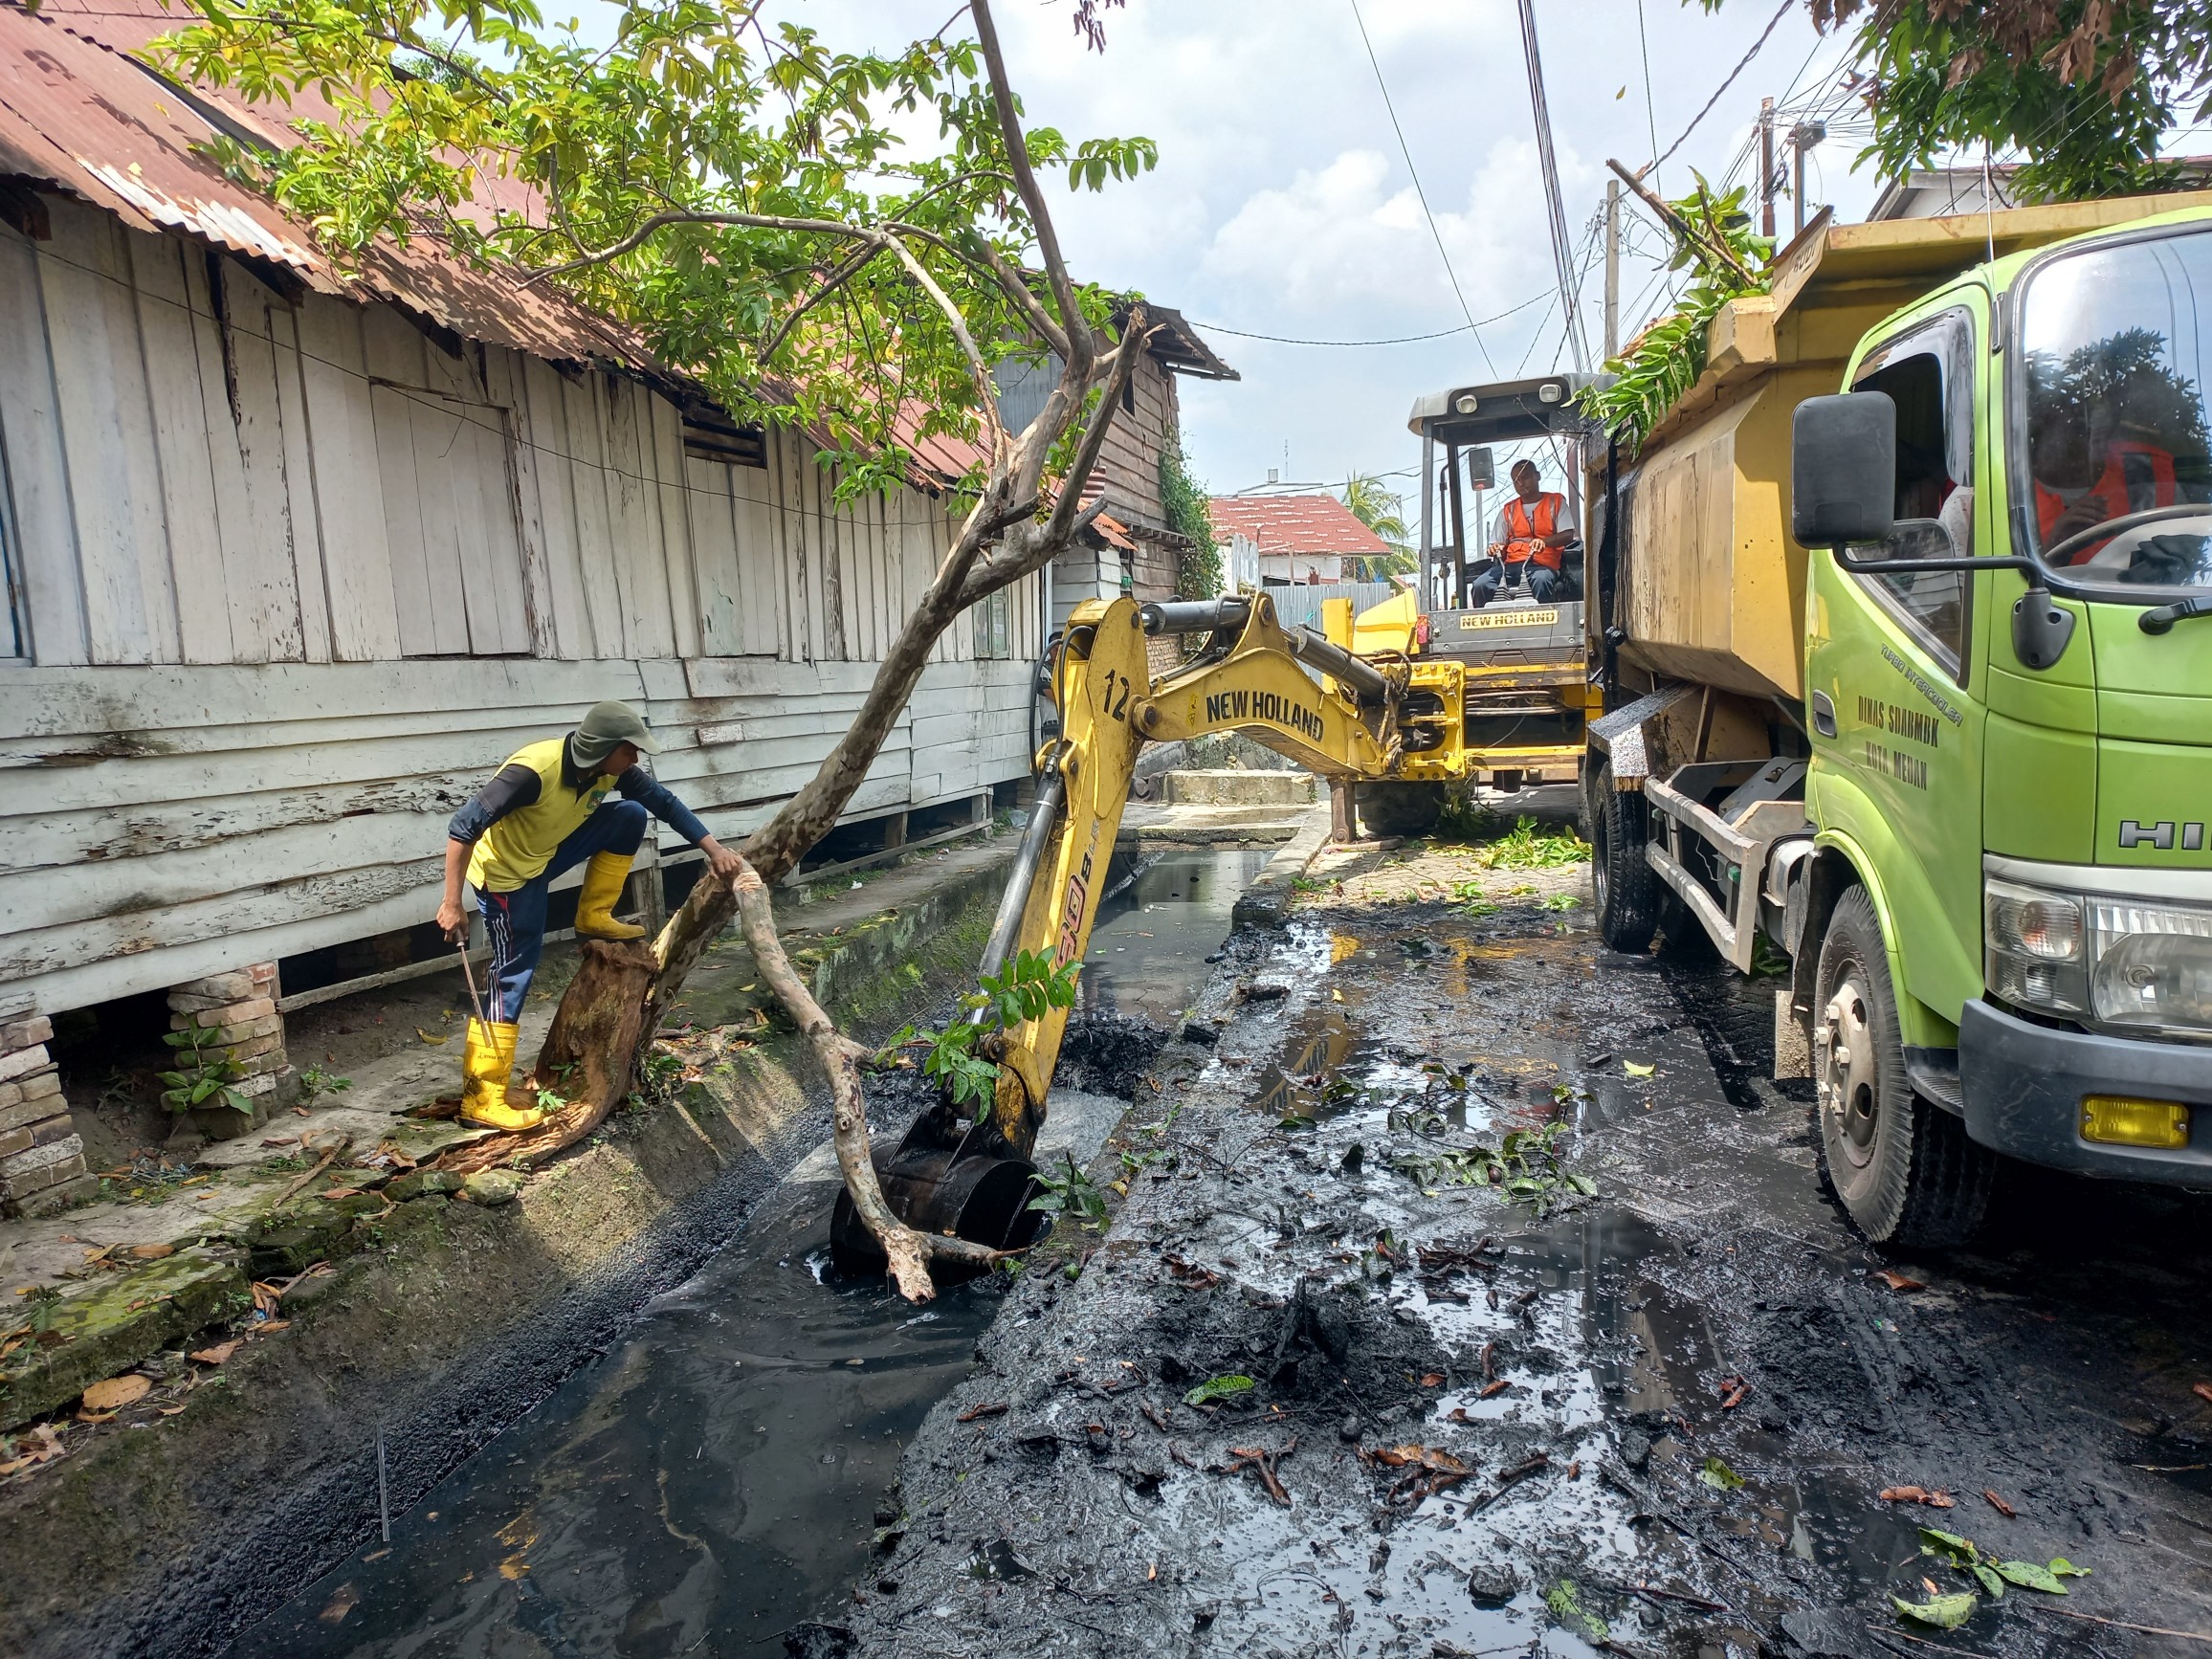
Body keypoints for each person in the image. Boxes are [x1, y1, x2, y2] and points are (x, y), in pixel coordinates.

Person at [435, 700, 744, 1129]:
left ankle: (595, 914)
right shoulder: (531, 773)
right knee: (514, 972)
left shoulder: (608, 770)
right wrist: (452, 903)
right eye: (630, 750)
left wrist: (714, 850)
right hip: (506, 878)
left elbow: (663, 802)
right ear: (602, 747)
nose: (635, 759)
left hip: (544, 856)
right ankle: (481, 1096)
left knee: (630, 815)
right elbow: (462, 827)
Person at [1469, 459, 1577, 607]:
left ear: (1537, 476)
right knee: (1481, 585)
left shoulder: (1556, 502)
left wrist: (1544, 542)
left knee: (1541, 581)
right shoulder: (1508, 510)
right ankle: (1485, 627)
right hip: (1510, 567)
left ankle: (1542, 628)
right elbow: (1495, 543)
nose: (1520, 483)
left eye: (1525, 477)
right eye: (1516, 480)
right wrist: (1494, 548)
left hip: (1542, 566)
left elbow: (1568, 534)